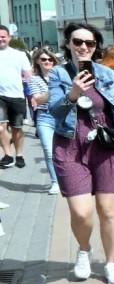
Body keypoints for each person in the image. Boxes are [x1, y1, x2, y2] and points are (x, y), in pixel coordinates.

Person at [48, 22, 114, 284]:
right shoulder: (59, 74)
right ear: (68, 43)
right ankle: (84, 251)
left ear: (95, 47)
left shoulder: (108, 74)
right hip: (70, 145)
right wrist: (73, 92)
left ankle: (111, 263)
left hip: (105, 146)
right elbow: (55, 111)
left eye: (89, 43)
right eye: (77, 42)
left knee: (108, 211)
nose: (83, 47)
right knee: (81, 212)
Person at [28, 47, 62, 194]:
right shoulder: (34, 79)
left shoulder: (62, 75)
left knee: (68, 151)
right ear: (38, 61)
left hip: (63, 116)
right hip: (45, 117)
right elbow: (38, 99)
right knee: (49, 151)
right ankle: (55, 182)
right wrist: (52, 89)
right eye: (44, 59)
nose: (47, 62)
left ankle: (68, 178)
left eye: (50, 59)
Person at [0, 24, 33, 169]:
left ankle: (19, 154)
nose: (1, 39)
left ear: (9, 38)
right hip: (0, 96)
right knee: (0, 127)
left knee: (17, 128)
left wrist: (33, 96)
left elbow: (29, 77)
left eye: (3, 37)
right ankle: (7, 155)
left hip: (17, 96)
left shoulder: (19, 55)